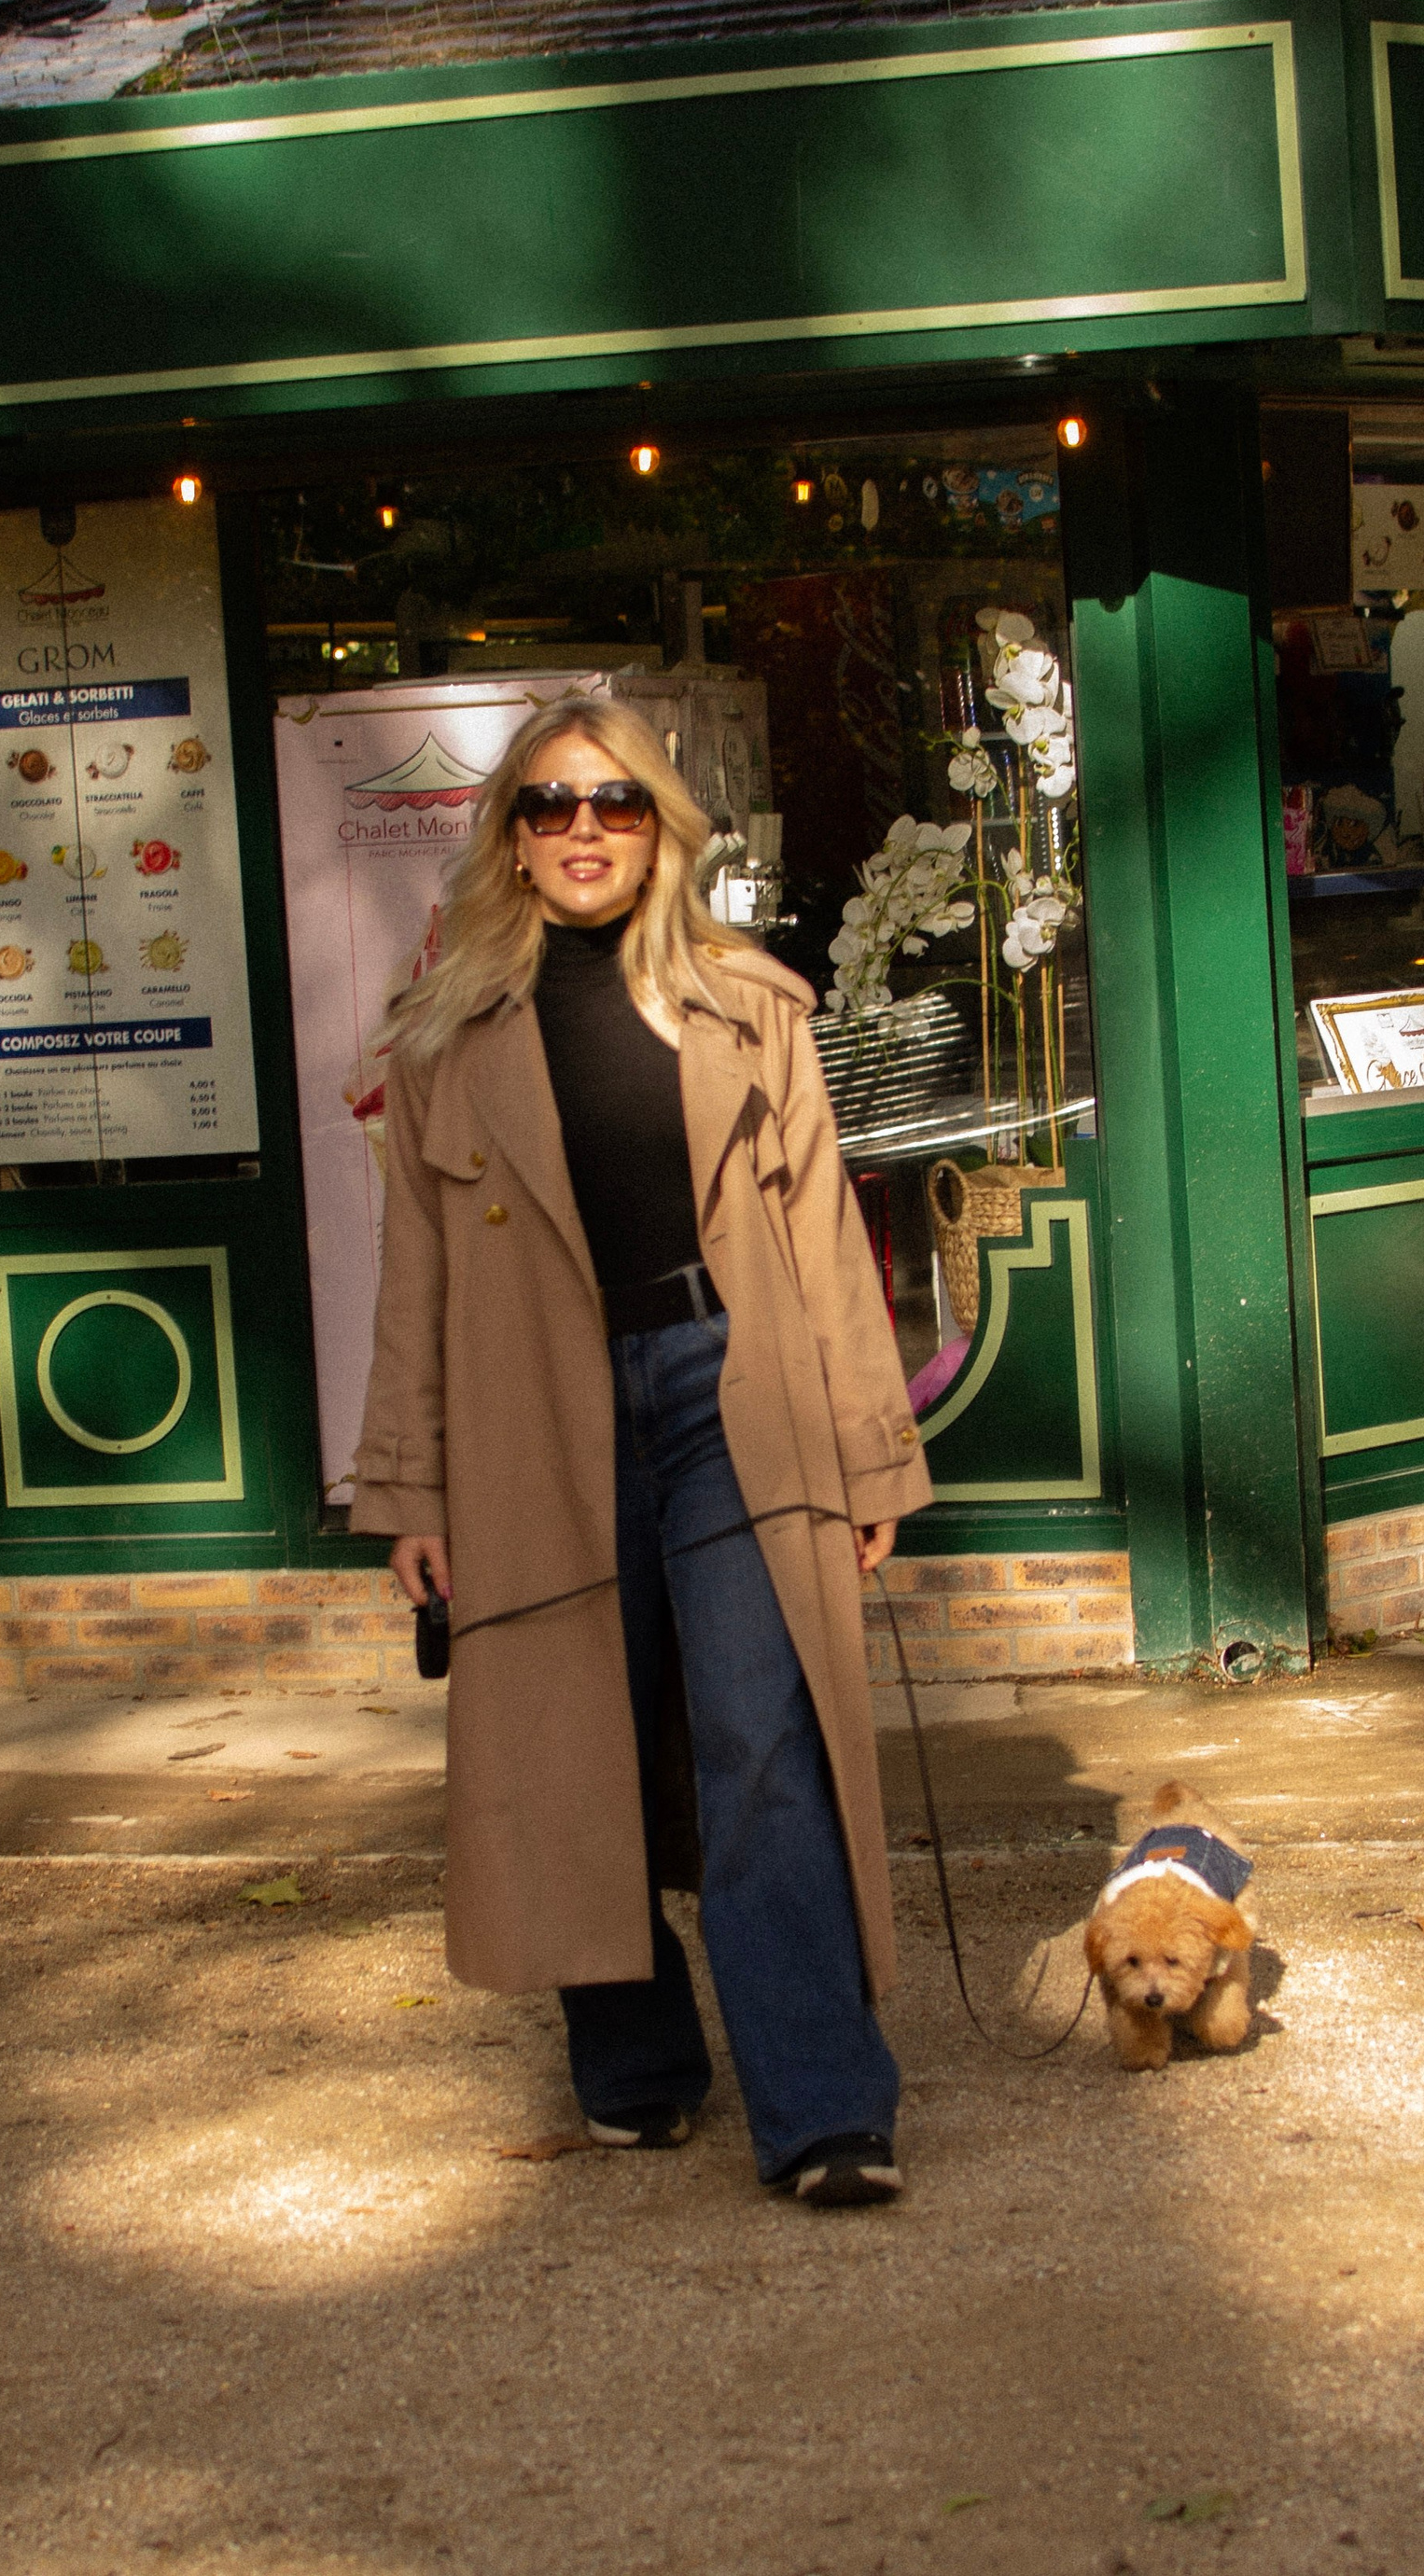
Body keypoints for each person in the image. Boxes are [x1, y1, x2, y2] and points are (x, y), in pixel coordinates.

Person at [351, 694, 931, 2208]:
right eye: (549, 803)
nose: (583, 828)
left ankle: (823, 2110)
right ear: (511, 838)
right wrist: (410, 1486)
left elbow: (828, 1249)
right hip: (531, 1415)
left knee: (762, 1738)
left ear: (661, 829)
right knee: (568, 1737)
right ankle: (636, 2064)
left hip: (732, 1390)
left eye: (614, 801)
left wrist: (871, 1457)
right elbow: (414, 1284)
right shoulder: (443, 1041)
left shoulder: (753, 1007)